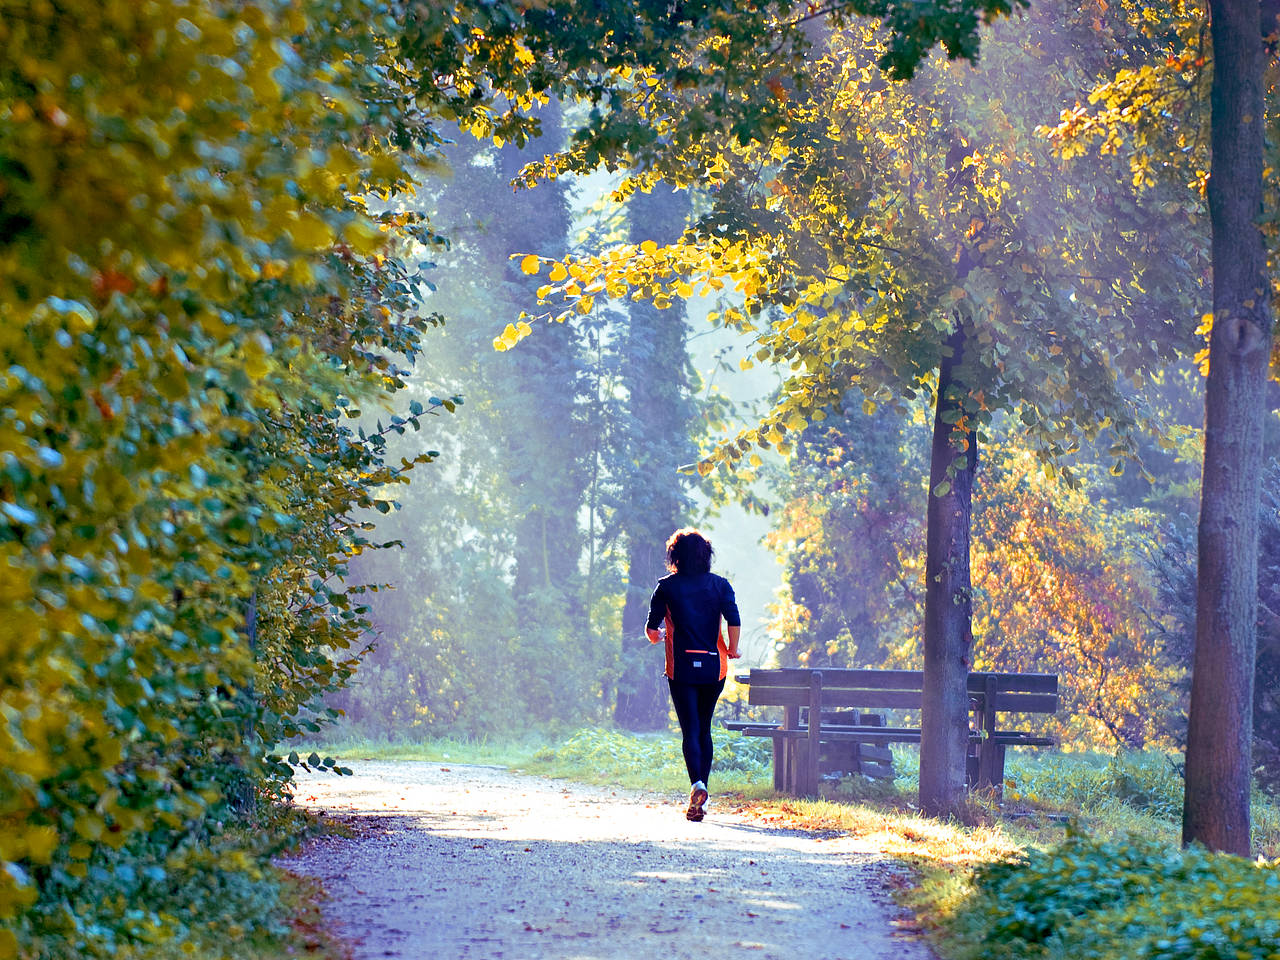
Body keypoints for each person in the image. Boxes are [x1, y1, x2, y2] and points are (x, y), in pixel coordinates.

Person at [645, 527, 741, 822]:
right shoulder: (720, 585)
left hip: (681, 667)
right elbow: (733, 619)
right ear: (706, 556)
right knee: (704, 728)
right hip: (714, 667)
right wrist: (733, 649)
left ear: (674, 556)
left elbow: (651, 629)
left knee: (690, 730)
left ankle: (697, 785)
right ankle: (702, 795)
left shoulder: (666, 587)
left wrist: (658, 636)